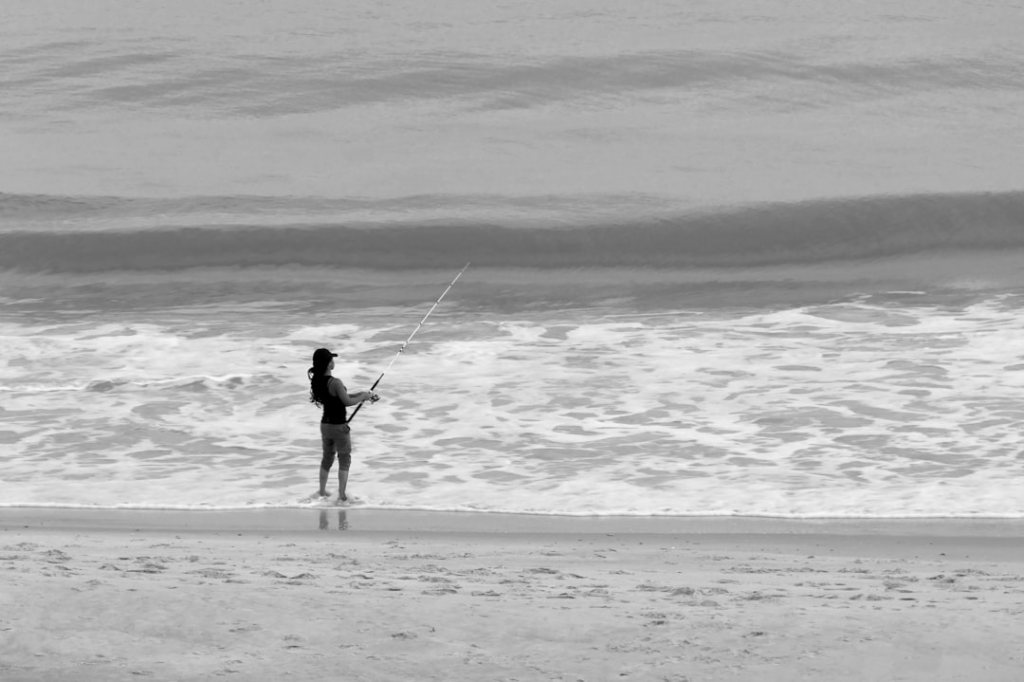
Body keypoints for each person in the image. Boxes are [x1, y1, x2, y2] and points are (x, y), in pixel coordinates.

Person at [307, 348, 378, 501]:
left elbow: (343, 397)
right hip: (338, 427)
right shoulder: (335, 382)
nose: (334, 361)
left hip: (325, 426)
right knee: (344, 459)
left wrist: (363, 395)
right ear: (327, 364)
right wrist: (364, 396)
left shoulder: (318, 382)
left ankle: (321, 492)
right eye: (331, 359)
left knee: (327, 458)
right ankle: (342, 495)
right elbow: (346, 401)